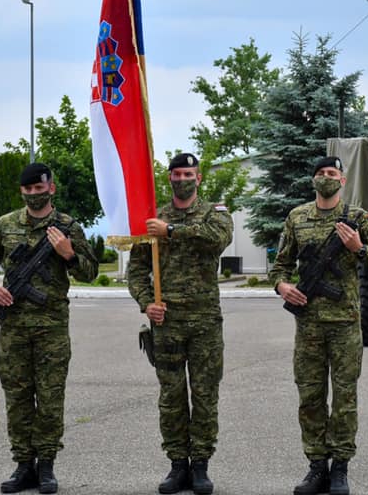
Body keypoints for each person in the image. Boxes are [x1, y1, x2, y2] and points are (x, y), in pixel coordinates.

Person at [269, 156, 368, 495]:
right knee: (310, 397)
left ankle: (340, 468)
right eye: (321, 173)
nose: (326, 178)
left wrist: (359, 248)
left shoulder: (357, 218)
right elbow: (279, 266)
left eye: (332, 174)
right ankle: (316, 467)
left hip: (345, 324)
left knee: (344, 399)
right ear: (314, 180)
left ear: (342, 180)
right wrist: (283, 286)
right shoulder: (297, 217)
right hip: (308, 325)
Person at [0, 162, 98, 494]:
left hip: (52, 329)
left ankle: (46, 467)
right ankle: (22, 465)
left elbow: (90, 272)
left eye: (39, 189)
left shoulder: (68, 227)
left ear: (51, 188)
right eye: (28, 190)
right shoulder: (5, 225)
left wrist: (68, 255)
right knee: (17, 398)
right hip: (13, 328)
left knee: (51, 398)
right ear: (22, 192)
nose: (34, 195)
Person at [127, 152, 234, 495]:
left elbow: (217, 240)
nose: (182, 179)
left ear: (199, 178)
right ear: (169, 178)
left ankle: (200, 466)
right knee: (171, 398)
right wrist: (146, 303)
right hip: (167, 323)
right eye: (176, 174)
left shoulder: (214, 213)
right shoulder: (152, 218)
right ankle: (177, 465)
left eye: (189, 173)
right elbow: (136, 271)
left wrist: (172, 231)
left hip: (204, 321)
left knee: (204, 396)